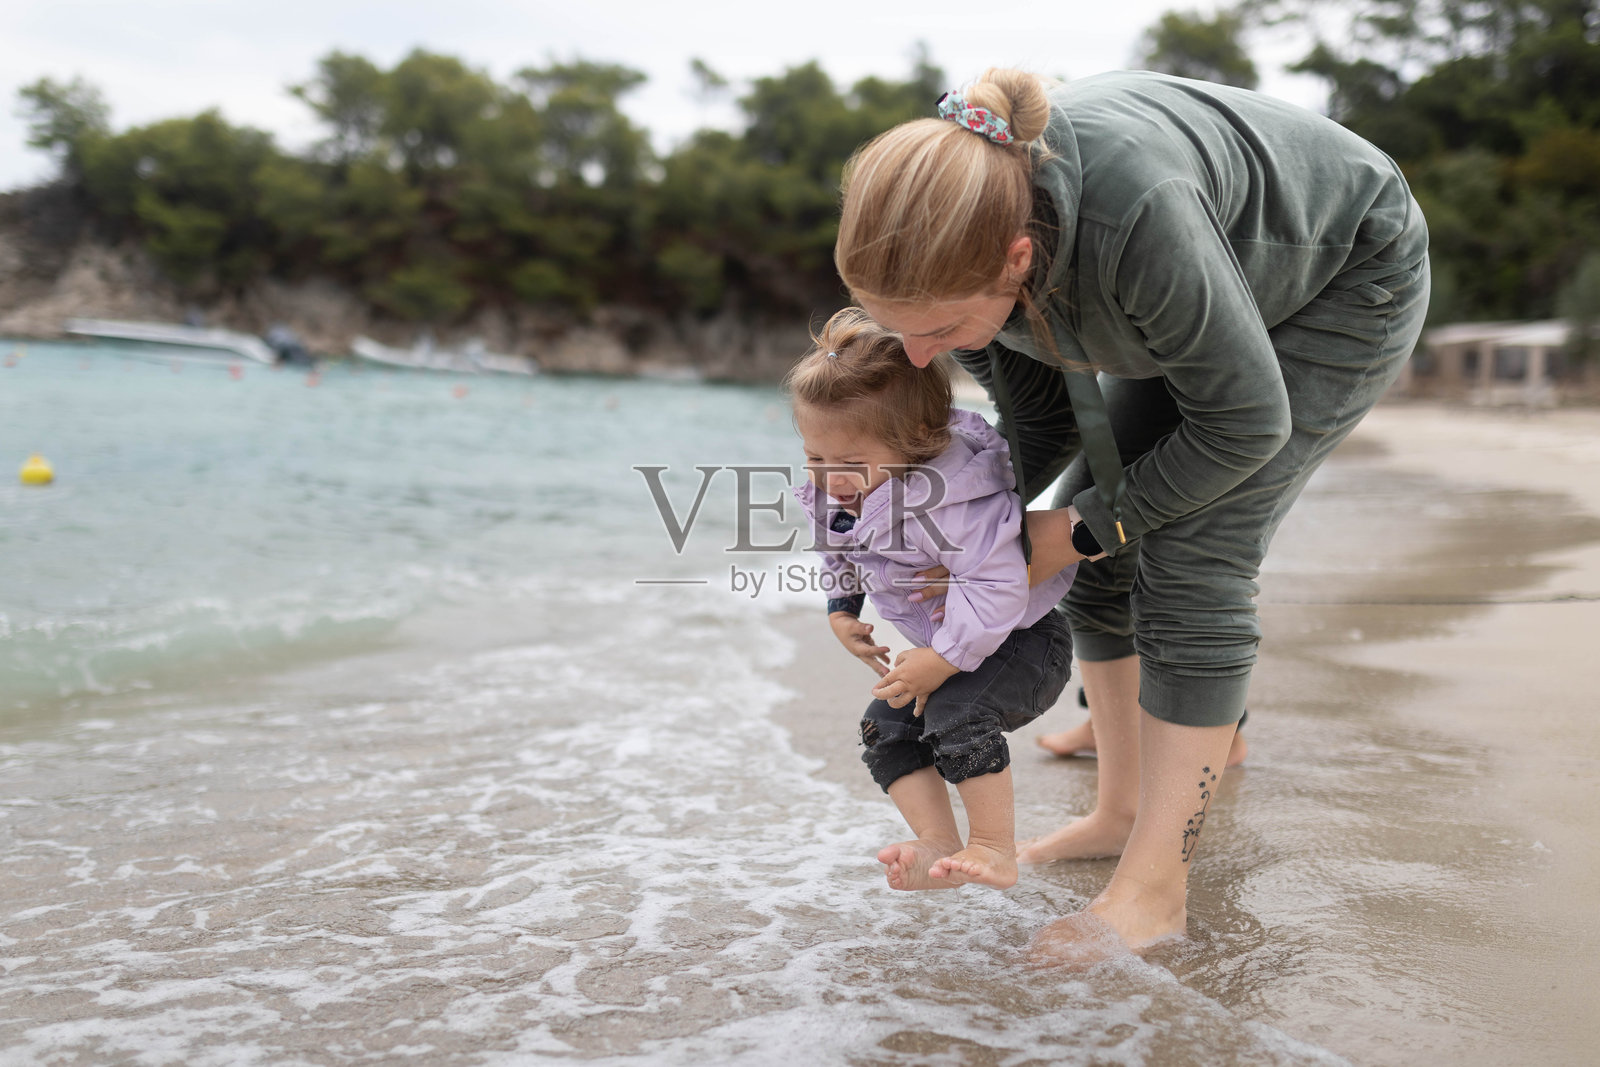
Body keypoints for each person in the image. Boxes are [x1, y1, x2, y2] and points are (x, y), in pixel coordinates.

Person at [834, 69, 1429, 957]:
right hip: (1189, 287)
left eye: (943, 330)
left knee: (1192, 547)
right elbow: (1038, 425)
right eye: (900, 329)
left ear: (1017, 259)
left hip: (1342, 271)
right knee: (1081, 532)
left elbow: (1246, 421)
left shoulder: (1133, 222)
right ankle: (1118, 810)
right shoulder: (971, 261)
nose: (921, 357)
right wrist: (994, 547)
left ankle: (1156, 889)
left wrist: (1076, 528)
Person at [788, 307, 1077, 892]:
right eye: (814, 458)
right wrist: (843, 611)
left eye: (847, 462)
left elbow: (999, 585)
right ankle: (939, 845)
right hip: (952, 647)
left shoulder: (954, 503)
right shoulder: (844, 492)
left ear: (914, 443)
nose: (829, 478)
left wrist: (943, 660)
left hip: (1025, 644)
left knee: (956, 715)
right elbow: (838, 549)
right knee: (884, 730)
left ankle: (995, 847)